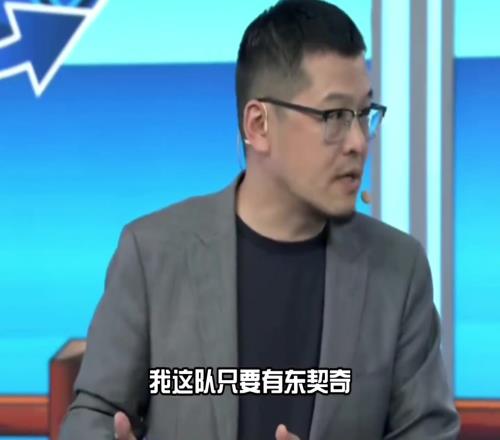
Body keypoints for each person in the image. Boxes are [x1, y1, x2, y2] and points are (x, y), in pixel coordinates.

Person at [59, 1, 460, 439]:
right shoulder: (153, 253)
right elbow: (93, 415)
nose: (358, 142)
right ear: (259, 124)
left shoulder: (398, 269)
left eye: (364, 115)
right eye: (334, 116)